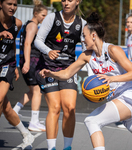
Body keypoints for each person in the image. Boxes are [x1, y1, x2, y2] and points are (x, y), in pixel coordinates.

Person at [39, 12, 132, 150]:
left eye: (84, 36)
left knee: (92, 121)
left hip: (128, 97)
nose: (82, 39)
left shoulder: (113, 50)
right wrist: (52, 73)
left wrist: (111, 78)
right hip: (126, 109)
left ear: (94, 35)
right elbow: (67, 73)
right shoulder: (86, 55)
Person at [34, 0, 86, 149]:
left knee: (70, 107)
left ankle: (67, 147)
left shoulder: (82, 24)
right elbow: (38, 41)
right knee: (55, 107)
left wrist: (90, 71)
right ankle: (52, 148)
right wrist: (48, 51)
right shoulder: (52, 18)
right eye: (63, 0)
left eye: (70, 0)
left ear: (78, 2)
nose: (66, 3)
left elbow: (86, 50)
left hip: (68, 70)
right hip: (47, 68)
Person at [0, 0, 34, 149]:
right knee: (6, 108)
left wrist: (16, 64)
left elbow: (13, 43)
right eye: (9, 4)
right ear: (0, 4)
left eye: (15, 4)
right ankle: (27, 134)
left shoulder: (17, 23)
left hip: (7, 64)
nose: (13, 7)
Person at [13, 0, 47, 132]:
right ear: (36, 13)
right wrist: (27, 62)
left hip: (28, 60)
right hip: (31, 60)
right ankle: (34, 122)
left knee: (33, 91)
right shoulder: (32, 26)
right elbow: (27, 44)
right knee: (37, 91)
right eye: (43, 15)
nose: (45, 18)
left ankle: (15, 110)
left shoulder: (29, 24)